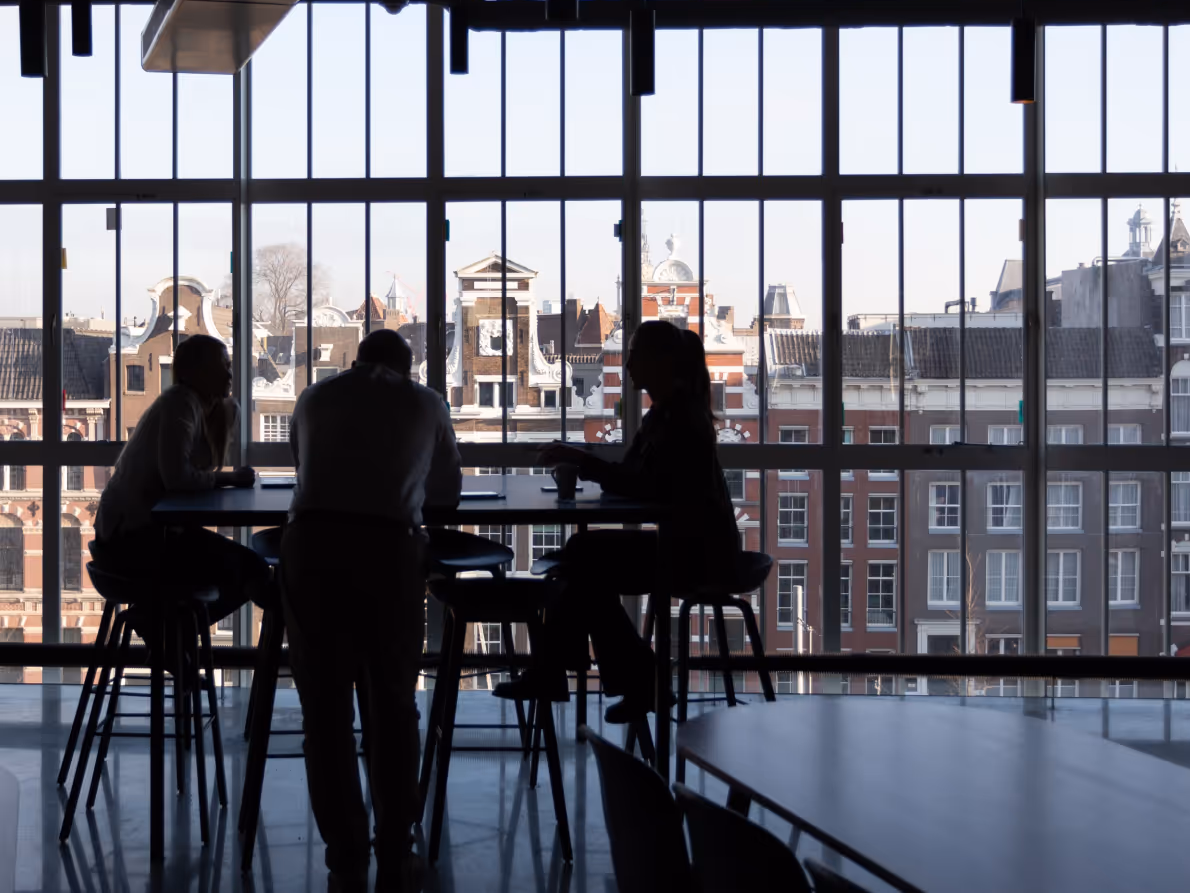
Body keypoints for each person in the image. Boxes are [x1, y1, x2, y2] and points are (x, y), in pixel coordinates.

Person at [281, 329, 462, 893]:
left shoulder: (313, 397)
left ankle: (344, 855)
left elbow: (302, 470)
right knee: (391, 706)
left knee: (325, 712)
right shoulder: (428, 403)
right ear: (407, 368)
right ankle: (395, 847)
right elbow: (446, 495)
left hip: (312, 550)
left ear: (356, 361)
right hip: (388, 553)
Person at [495, 320, 740, 724]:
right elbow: (639, 479)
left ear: (659, 363)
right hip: (697, 545)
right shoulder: (667, 413)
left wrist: (581, 461)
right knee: (584, 562)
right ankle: (624, 676)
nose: (627, 365)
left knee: (583, 558)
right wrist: (587, 462)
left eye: (635, 355)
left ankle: (574, 672)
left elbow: (647, 486)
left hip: (696, 555)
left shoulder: (676, 420)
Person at [95, 334, 267, 627]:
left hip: (128, 535)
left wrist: (225, 416)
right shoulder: (181, 402)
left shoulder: (193, 406)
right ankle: (164, 629)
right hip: (134, 541)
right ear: (194, 372)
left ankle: (170, 635)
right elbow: (177, 477)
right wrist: (229, 479)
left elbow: (195, 470)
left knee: (245, 571)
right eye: (221, 366)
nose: (229, 373)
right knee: (254, 570)